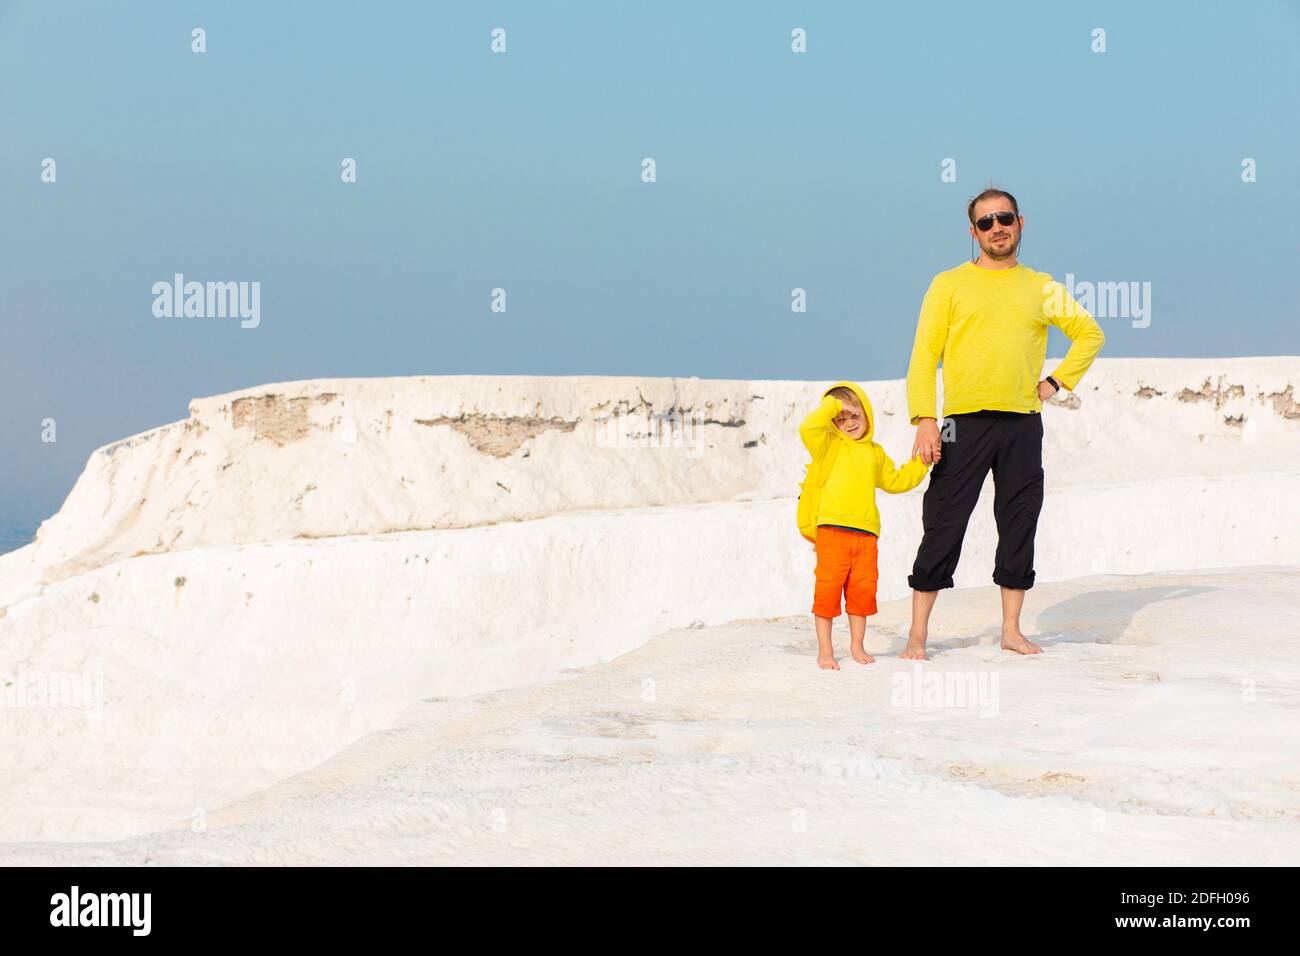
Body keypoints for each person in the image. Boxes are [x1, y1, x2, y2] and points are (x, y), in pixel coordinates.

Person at [902, 188, 1104, 659]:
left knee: (1018, 521)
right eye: (986, 222)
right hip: (961, 424)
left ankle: (1011, 630)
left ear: (1020, 223)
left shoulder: (1041, 287)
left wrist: (1055, 382)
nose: (997, 228)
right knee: (944, 522)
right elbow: (923, 355)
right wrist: (925, 419)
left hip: (1021, 423)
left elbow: (1089, 334)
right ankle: (917, 635)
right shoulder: (947, 284)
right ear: (973, 232)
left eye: (1004, 219)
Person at [798, 381, 928, 669]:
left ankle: (857, 646)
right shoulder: (826, 445)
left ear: (866, 413)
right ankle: (826, 650)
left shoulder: (874, 452)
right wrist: (833, 404)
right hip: (831, 531)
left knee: (862, 592)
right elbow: (808, 427)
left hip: (866, 535)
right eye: (840, 419)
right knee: (827, 591)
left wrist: (922, 464)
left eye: (854, 415)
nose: (848, 423)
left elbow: (896, 481)